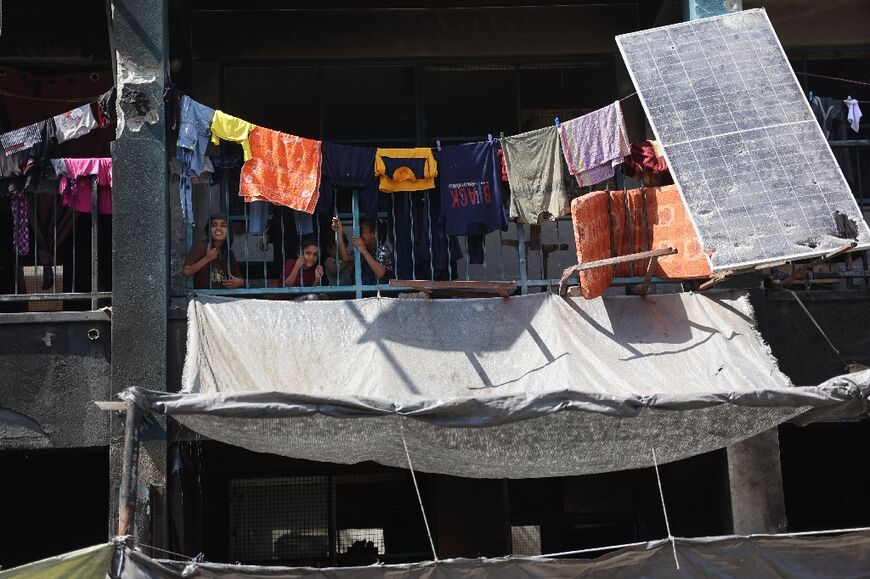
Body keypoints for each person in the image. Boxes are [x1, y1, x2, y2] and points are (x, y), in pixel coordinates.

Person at [183, 213, 245, 289]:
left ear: (229, 231)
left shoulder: (228, 253)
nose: (218, 228)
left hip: (221, 297)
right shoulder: (202, 246)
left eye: (223, 226)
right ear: (209, 230)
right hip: (202, 298)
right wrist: (207, 258)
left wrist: (238, 282)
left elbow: (240, 279)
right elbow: (186, 271)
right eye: (214, 225)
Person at [331, 217, 393, 285]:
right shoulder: (361, 250)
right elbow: (346, 259)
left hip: (379, 294)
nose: (359, 235)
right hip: (361, 293)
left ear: (374, 234)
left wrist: (363, 250)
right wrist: (339, 233)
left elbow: (380, 273)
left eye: (361, 231)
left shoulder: (382, 249)